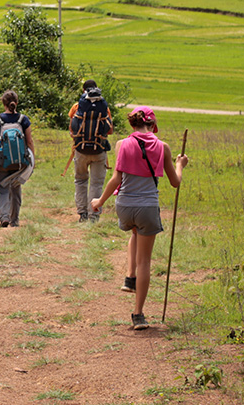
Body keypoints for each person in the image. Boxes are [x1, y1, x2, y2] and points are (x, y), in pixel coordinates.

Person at [91, 105, 188, 331]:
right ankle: (138, 315)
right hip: (147, 207)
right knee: (145, 259)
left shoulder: (121, 144)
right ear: (153, 125)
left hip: (124, 205)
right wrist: (180, 165)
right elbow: (175, 182)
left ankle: (129, 278)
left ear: (132, 124)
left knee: (134, 231)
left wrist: (99, 202)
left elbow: (116, 180)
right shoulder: (163, 147)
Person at [0, 90, 34, 228]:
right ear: (16, 103)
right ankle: (15, 220)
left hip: (2, 161)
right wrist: (32, 159)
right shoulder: (23, 119)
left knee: (2, 189)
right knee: (16, 189)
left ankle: (4, 217)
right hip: (19, 161)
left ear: (3, 103)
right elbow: (30, 141)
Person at [67, 79, 112, 223]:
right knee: (96, 183)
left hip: (80, 150)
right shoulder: (104, 107)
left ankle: (82, 214)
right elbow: (109, 130)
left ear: (83, 91)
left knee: (80, 180)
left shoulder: (77, 106)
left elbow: (72, 129)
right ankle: (94, 215)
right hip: (99, 151)